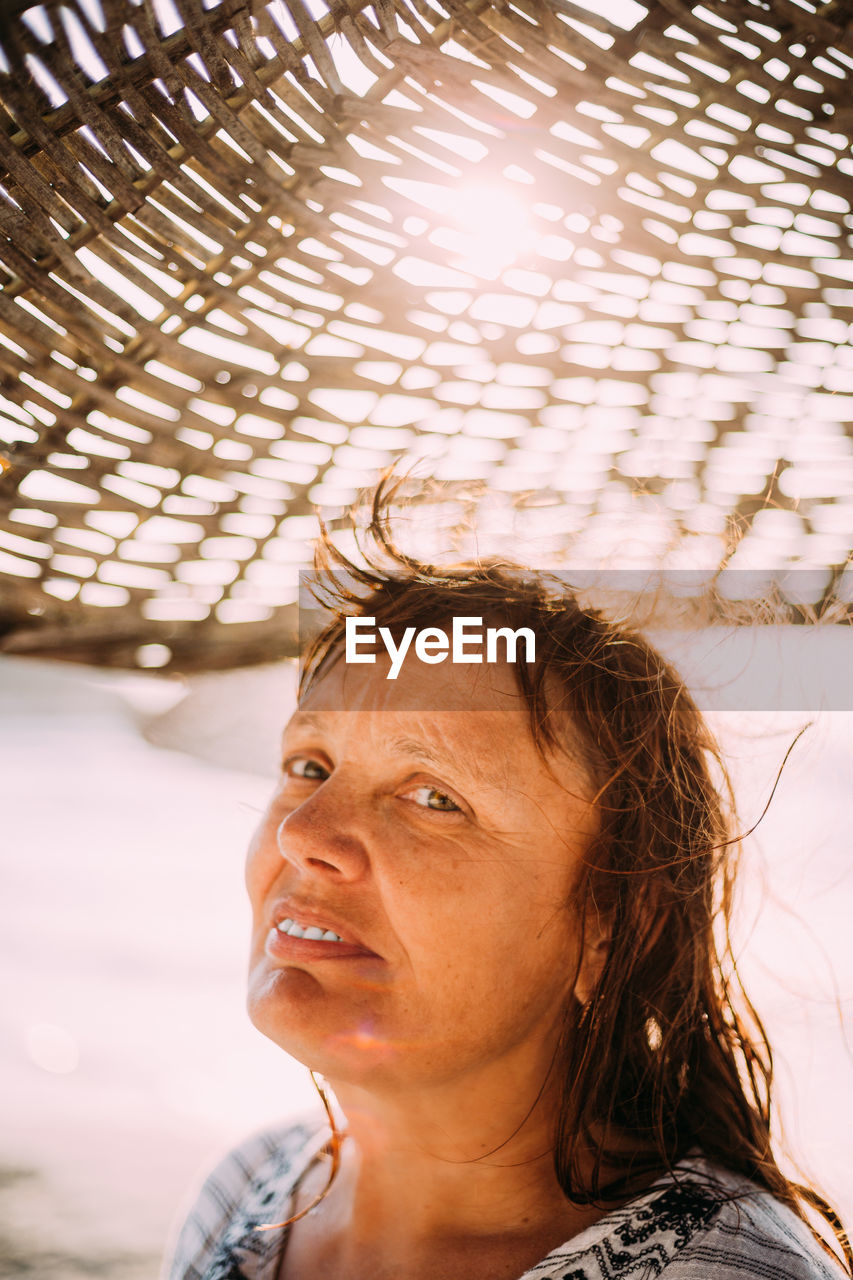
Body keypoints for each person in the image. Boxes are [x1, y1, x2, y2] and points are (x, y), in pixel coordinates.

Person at [163, 484, 851, 1280]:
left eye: (433, 798)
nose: (302, 833)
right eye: (308, 766)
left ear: (617, 922)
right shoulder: (247, 1194)